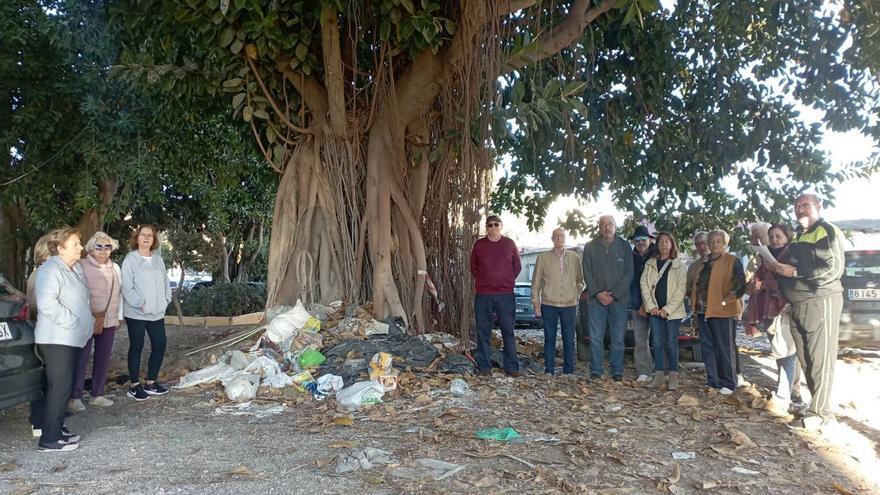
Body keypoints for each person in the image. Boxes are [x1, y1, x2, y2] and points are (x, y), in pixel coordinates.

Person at [774, 194, 845, 431]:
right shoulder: (799, 236)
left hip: (821, 300)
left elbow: (833, 268)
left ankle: (822, 413)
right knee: (807, 358)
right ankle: (816, 405)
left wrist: (794, 273)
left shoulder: (826, 231)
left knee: (821, 359)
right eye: (796, 206)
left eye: (805, 205)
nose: (799, 209)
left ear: (818, 207)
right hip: (798, 305)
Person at [31, 227, 92, 452]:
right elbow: (47, 305)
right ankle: (49, 439)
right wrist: (73, 323)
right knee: (60, 387)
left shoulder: (73, 268)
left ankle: (56, 429)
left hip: (71, 338)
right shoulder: (50, 269)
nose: (81, 248)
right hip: (57, 339)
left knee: (62, 387)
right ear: (60, 248)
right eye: (75, 244)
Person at [745, 223, 802, 411]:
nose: (775, 240)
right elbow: (755, 281)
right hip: (768, 309)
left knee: (788, 352)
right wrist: (756, 285)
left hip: (787, 308)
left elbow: (796, 280)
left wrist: (775, 275)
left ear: (787, 237)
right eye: (772, 237)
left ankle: (785, 393)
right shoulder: (764, 257)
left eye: (779, 236)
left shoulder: (794, 255)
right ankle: (788, 391)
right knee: (780, 351)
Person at [68, 232, 123, 412]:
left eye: (107, 246)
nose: (103, 250)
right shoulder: (80, 266)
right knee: (81, 358)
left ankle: (98, 394)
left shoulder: (116, 268)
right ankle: (74, 396)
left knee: (103, 357)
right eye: (99, 246)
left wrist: (119, 316)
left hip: (109, 318)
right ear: (91, 247)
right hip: (86, 319)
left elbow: (119, 293)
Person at [692, 229, 746, 395]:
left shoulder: (732, 261)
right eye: (712, 241)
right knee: (708, 347)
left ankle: (729, 382)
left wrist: (725, 301)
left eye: (718, 241)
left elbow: (740, 286)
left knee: (724, 347)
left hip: (723, 311)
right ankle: (713, 380)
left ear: (725, 243)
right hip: (703, 311)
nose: (714, 244)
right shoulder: (705, 263)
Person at [121, 224, 172, 400]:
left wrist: (166, 300)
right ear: (137, 238)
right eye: (143, 235)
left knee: (160, 344)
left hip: (157, 312)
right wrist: (140, 303)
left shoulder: (158, 259)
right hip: (137, 313)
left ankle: (151, 382)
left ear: (154, 240)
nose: (146, 238)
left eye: (150, 235)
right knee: (137, 346)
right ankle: (134, 386)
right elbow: (126, 286)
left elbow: (166, 281)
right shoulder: (131, 259)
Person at [582, 215, 634, 381]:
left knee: (617, 338)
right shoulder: (590, 247)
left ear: (615, 226)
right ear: (599, 227)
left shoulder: (625, 247)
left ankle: (617, 370)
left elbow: (629, 273)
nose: (607, 227)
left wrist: (614, 295)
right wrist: (598, 293)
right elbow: (587, 272)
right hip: (596, 300)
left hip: (619, 300)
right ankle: (596, 370)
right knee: (596, 337)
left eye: (610, 224)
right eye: (603, 224)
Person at [470, 215, 523, 377]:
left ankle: (512, 367)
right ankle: (484, 367)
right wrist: (485, 281)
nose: (493, 228)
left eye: (496, 224)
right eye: (489, 225)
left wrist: (505, 281)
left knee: (508, 330)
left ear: (501, 226)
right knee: (483, 330)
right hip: (484, 294)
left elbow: (517, 267)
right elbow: (473, 267)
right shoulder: (479, 245)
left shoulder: (509, 244)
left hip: (505, 295)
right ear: (486, 228)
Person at [531, 228, 585, 379]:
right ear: (552, 239)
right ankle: (549, 370)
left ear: (565, 238)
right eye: (556, 236)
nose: (559, 239)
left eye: (562, 236)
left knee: (569, 338)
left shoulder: (574, 257)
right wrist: (536, 303)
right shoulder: (543, 258)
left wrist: (576, 293)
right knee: (549, 338)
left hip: (569, 305)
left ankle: (569, 371)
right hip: (549, 304)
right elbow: (535, 283)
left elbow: (580, 280)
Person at [641, 232, 687, 390]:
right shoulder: (650, 264)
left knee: (671, 343)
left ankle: (673, 375)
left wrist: (667, 309)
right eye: (661, 241)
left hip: (672, 312)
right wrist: (651, 306)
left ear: (672, 244)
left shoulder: (679, 265)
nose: (664, 244)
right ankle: (659, 374)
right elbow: (644, 286)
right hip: (654, 311)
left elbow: (681, 290)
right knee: (657, 342)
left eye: (667, 241)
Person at [629, 224, 656, 382]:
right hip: (636, 303)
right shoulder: (630, 257)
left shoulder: (657, 255)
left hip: (657, 304)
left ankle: (661, 370)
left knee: (660, 339)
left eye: (643, 239)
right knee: (640, 339)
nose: (640, 243)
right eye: (637, 240)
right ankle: (644, 371)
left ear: (649, 240)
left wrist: (648, 303)